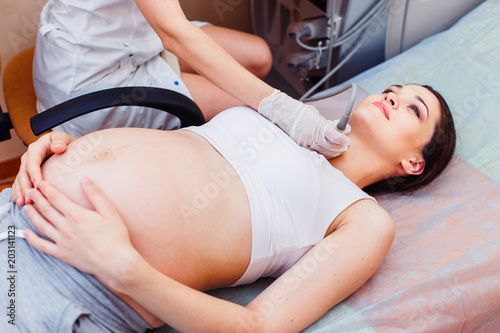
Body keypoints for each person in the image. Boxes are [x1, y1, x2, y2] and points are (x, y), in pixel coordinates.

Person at [2, 84, 456, 332]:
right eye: (393, 89)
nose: (393, 96)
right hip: (17, 207)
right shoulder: (287, 118)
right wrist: (67, 146)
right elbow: (178, 135)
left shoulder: (362, 219)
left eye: (414, 110)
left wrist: (124, 268)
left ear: (413, 162)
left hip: (74, 290)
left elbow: (258, 326)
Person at [34, 0, 273, 137]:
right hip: (94, 79)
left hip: (136, 38)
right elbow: (174, 34)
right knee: (250, 110)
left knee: (258, 56)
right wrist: (279, 105)